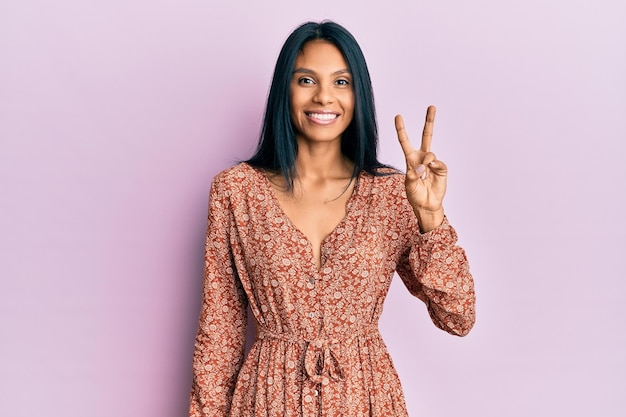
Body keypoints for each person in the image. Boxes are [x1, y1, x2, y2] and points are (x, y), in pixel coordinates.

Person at [189, 20, 476, 417]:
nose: (324, 96)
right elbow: (218, 336)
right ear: (284, 92)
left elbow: (459, 316)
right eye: (306, 80)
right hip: (270, 403)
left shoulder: (393, 194)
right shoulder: (236, 192)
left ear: (358, 95)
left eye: (341, 82)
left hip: (366, 401)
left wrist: (431, 218)